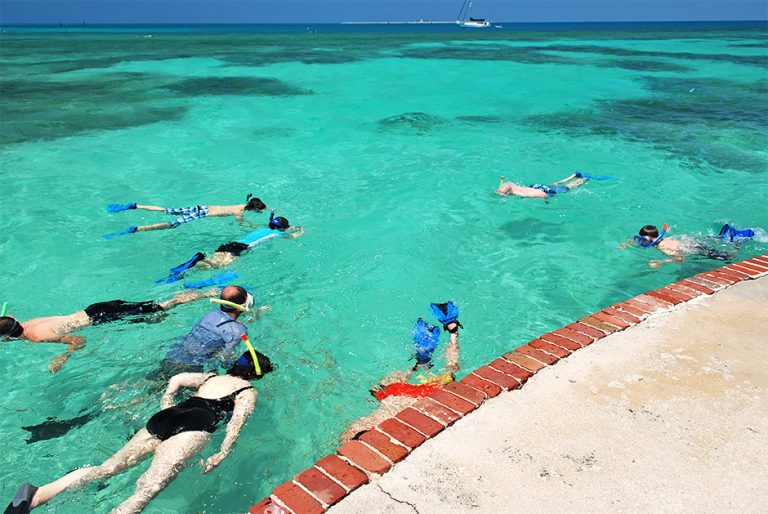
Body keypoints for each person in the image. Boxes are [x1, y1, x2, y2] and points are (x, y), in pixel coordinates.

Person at [3, 350, 274, 514]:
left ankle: (35, 495)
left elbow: (176, 379)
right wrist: (223, 453)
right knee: (144, 492)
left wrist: (167, 400)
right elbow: (237, 422)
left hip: (166, 416)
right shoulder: (247, 391)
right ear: (257, 375)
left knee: (107, 468)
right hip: (193, 427)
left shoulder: (210, 377)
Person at [0, 289, 216, 373]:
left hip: (102, 318)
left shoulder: (36, 337)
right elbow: (17, 330)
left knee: (163, 306)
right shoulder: (30, 323)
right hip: (94, 308)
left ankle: (203, 294)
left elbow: (79, 340)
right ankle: (183, 298)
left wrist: (62, 358)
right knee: (152, 306)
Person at [340, 302, 462, 443]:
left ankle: (445, 336)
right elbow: (347, 436)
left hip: (413, 398)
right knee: (450, 370)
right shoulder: (360, 427)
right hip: (393, 395)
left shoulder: (374, 432)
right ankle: (444, 339)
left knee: (450, 370)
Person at [157, 211, 304, 283]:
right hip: (239, 249)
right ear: (282, 228)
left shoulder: (262, 229)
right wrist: (300, 231)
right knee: (214, 266)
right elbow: (291, 237)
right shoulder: (276, 234)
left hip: (231, 244)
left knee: (212, 261)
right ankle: (189, 269)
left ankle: (190, 265)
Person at [157, 285, 270, 377]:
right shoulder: (238, 332)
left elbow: (225, 329)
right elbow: (225, 361)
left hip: (174, 355)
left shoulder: (210, 315)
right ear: (244, 304)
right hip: (191, 368)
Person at [104, 194, 267, 238]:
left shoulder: (240, 205)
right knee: (172, 224)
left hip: (201, 207)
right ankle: (137, 229)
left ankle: (135, 206)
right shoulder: (239, 212)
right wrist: (252, 225)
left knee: (166, 210)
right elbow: (240, 223)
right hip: (202, 213)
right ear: (253, 209)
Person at [621, 223, 751, 268]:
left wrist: (660, 261)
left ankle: (737, 247)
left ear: (649, 239)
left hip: (696, 248)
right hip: (692, 241)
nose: (641, 242)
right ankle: (727, 239)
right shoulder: (666, 238)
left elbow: (680, 259)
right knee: (715, 242)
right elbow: (635, 239)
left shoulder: (664, 248)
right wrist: (626, 244)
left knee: (728, 257)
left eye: (643, 240)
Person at [497, 172, 592, 199]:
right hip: (535, 186)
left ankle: (583, 178)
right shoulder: (507, 184)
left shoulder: (522, 194)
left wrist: (546, 200)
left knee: (567, 188)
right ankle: (559, 182)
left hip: (541, 191)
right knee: (552, 186)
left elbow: (542, 194)